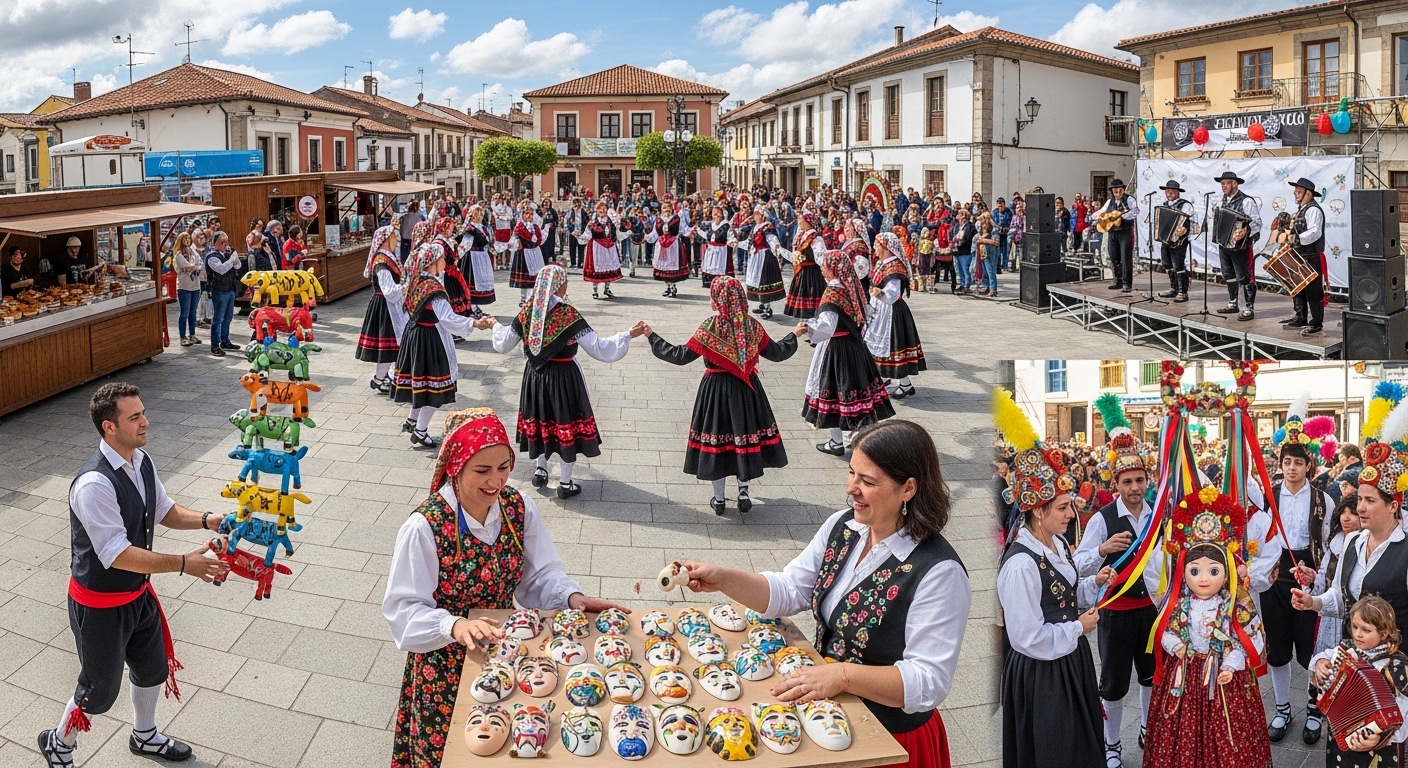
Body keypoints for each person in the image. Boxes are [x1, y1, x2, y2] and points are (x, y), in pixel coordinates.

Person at [676, 420, 971, 768]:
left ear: (908, 488)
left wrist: (842, 675)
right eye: (851, 473)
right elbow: (790, 589)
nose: (851, 489)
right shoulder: (844, 526)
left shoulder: (938, 571)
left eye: (868, 482)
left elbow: (929, 681)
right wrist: (724, 579)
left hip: (891, 739)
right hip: (829, 714)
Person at [383, 406, 630, 768]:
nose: (495, 481)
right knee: (452, 751)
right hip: (444, 660)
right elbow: (403, 610)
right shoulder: (425, 527)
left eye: (503, 467)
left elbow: (538, 576)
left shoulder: (517, 507)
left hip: (503, 651)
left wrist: (571, 597)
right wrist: (455, 625)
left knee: (507, 745)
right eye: (482, 470)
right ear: (455, 467)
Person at [37, 382, 230, 768]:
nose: (146, 422)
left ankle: (144, 736)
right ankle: (59, 742)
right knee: (98, 690)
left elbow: (164, 510)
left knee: (153, 668)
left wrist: (209, 519)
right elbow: (118, 555)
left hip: (137, 595)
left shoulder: (141, 461)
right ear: (110, 427)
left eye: (143, 413)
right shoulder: (93, 484)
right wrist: (183, 563)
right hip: (99, 606)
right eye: (135, 417)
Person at [992, 388, 1105, 768]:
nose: (1072, 513)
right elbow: (1026, 637)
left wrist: (1093, 584)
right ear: (1038, 512)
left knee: (1078, 748)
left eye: (1070, 505)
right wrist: (1079, 628)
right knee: (1054, 751)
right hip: (1042, 674)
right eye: (1063, 507)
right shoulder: (1021, 565)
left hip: (1068, 661)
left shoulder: (1057, 544)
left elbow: (1064, 596)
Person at [641, 276, 799, 515]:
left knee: (717, 440)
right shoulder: (752, 326)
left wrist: (652, 336)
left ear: (717, 299)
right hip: (746, 391)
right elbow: (777, 353)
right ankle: (743, 491)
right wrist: (794, 335)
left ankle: (719, 499)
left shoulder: (710, 327)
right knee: (742, 437)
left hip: (715, 392)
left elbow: (680, 355)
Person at [1141, 486, 1271, 768]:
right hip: (1184, 675)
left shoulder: (1234, 603)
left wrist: (1231, 665)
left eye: (1213, 571)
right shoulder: (1178, 602)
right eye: (1195, 571)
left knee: (1229, 733)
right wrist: (1175, 645)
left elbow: (1249, 639)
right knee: (1179, 734)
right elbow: (1164, 630)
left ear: (1226, 572)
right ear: (1183, 570)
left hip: (1224, 680)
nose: (1203, 579)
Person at [488, 264, 642, 498]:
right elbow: (599, 348)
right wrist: (627, 335)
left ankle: (540, 469)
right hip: (563, 378)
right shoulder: (567, 315)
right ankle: (565, 482)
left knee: (541, 419)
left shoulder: (528, 311)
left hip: (535, 377)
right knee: (565, 423)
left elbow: (505, 343)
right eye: (565, 281)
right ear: (559, 286)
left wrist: (495, 326)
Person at [1071, 424, 1155, 765]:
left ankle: (1148, 728)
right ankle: (1111, 744)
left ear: (1147, 481)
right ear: (1116, 485)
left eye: (1139, 480)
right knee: (1114, 684)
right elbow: (1077, 565)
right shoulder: (1102, 519)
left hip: (1151, 610)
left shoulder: (1157, 515)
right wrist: (1102, 550)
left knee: (1151, 675)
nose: (1134, 487)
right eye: (1127, 481)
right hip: (1116, 612)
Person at [1259, 404, 1335, 744]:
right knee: (1277, 648)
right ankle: (1282, 708)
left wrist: (1316, 574)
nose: (1292, 468)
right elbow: (1257, 537)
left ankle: (1314, 709)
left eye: (1298, 462)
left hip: (1308, 578)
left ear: (1309, 466)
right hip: (1274, 578)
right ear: (1281, 464)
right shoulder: (1268, 496)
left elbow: (1329, 544)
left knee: (1310, 649)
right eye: (1287, 462)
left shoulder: (1322, 500)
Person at [391, 243, 491, 448]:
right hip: (429, 338)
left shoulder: (416, 280)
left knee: (422, 384)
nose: (445, 262)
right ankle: (420, 431)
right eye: (442, 258)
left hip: (415, 335)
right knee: (435, 388)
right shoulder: (433, 288)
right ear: (433, 262)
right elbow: (447, 318)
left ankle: (412, 420)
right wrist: (475, 323)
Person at [797, 250, 895, 456]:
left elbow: (827, 326)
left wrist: (809, 327)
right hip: (856, 347)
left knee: (834, 393)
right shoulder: (852, 287)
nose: (822, 268)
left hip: (837, 349)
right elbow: (867, 313)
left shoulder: (832, 293)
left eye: (825, 265)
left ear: (832, 268)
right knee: (858, 392)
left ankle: (836, 442)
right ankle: (862, 437)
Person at [1310, 596, 1408, 767]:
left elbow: (1403, 716)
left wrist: (1381, 737)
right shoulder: (1347, 649)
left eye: (1366, 630)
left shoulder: (1397, 668)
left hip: (1380, 752)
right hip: (1341, 738)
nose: (1357, 634)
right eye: (1355, 627)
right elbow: (1325, 655)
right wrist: (1319, 662)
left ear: (1383, 633)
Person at [870, 232, 925, 399]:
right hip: (881, 310)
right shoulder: (882, 263)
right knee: (881, 347)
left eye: (877, 244)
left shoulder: (894, 267)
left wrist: (881, 293)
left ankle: (905, 385)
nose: (874, 247)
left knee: (893, 347)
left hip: (891, 312)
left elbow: (892, 294)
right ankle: (886, 379)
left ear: (885, 247)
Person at [356, 225, 406, 395]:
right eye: (393, 236)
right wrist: (407, 287)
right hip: (385, 306)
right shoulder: (381, 261)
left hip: (389, 304)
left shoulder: (388, 258)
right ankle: (381, 379)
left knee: (393, 345)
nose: (396, 240)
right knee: (389, 345)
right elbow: (389, 290)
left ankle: (385, 377)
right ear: (385, 239)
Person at [1212, 171, 1263, 321]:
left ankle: (1248, 307)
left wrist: (1245, 230)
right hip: (1224, 244)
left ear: (1235, 184)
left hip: (1242, 245)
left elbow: (1257, 222)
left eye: (1226, 183)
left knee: (1244, 276)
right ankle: (1233, 302)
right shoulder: (1220, 202)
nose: (1223, 186)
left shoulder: (1247, 201)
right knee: (1228, 274)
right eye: (1222, 184)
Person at [1282, 177, 1328, 336]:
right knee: (1298, 288)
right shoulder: (1301, 209)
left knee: (1313, 291)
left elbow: (1315, 232)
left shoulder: (1313, 210)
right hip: (1298, 255)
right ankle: (1300, 317)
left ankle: (1316, 323)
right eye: (1295, 190)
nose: (1295, 193)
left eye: (1299, 191)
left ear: (1308, 193)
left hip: (1310, 255)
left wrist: (1296, 238)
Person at [1092, 180, 1139, 293]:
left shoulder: (1129, 199)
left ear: (1123, 190)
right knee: (1114, 257)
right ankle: (1118, 280)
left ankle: (1127, 283)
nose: (1117, 193)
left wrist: (1121, 217)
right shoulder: (1109, 202)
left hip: (1124, 232)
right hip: (1112, 232)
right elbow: (1102, 211)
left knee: (1125, 257)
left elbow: (1135, 211)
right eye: (1115, 191)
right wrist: (1096, 217)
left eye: (1119, 191)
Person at [1154, 180, 1195, 303]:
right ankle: (1174, 288)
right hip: (1166, 239)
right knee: (1166, 263)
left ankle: (1183, 292)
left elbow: (1194, 224)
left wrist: (1185, 229)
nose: (1169, 193)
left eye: (1172, 191)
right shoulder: (1164, 205)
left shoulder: (1185, 206)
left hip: (1179, 241)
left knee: (1178, 265)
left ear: (1178, 192)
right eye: (1167, 191)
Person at [744, 207, 787, 317]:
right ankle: (763, 304)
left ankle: (767, 308)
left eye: (757, 214)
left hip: (765, 257)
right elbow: (750, 242)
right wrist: (737, 243)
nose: (755, 217)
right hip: (756, 257)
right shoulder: (755, 228)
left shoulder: (767, 227)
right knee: (758, 282)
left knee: (764, 282)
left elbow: (773, 240)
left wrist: (777, 247)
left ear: (763, 216)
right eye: (755, 214)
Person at [205, 232, 241, 356]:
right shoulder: (212, 256)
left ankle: (225, 341)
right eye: (222, 242)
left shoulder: (227, 254)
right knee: (218, 319)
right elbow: (221, 269)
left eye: (227, 241)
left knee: (228, 318)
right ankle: (215, 345)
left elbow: (238, 266)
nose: (225, 244)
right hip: (219, 290)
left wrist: (235, 259)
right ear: (215, 242)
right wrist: (231, 260)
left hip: (230, 289)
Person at [784, 212, 826, 319]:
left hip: (812, 273)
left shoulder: (816, 238)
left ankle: (811, 321)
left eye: (801, 219)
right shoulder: (802, 236)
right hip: (802, 271)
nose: (798, 221)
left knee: (811, 296)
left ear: (808, 222)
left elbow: (821, 258)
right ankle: (806, 321)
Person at [458, 205, 496, 315]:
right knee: (472, 281)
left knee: (479, 281)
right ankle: (472, 308)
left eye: (481, 212)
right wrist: (457, 256)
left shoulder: (484, 228)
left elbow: (489, 243)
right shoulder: (470, 229)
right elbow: (465, 245)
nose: (480, 215)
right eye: (477, 212)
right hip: (472, 259)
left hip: (482, 257)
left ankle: (475, 307)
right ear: (472, 215)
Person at [581, 201, 622, 299]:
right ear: (596, 210)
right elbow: (587, 234)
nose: (602, 211)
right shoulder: (593, 222)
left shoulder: (609, 222)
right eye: (600, 209)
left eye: (604, 209)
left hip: (608, 247)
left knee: (609, 267)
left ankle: (607, 289)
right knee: (596, 268)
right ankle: (595, 290)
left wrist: (614, 242)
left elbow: (614, 234)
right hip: (597, 247)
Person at [509, 200, 546, 306]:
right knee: (525, 278)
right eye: (527, 213)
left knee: (534, 277)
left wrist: (536, 241)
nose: (529, 216)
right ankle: (523, 298)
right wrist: (530, 238)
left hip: (535, 253)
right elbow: (518, 237)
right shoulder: (519, 227)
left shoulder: (535, 227)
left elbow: (539, 239)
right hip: (524, 253)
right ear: (523, 215)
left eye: (531, 213)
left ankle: (532, 297)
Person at [651, 200, 692, 297]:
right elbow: (654, 233)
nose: (666, 210)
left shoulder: (676, 219)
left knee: (672, 267)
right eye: (664, 208)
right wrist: (646, 237)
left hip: (673, 245)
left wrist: (691, 231)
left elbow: (684, 229)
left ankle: (673, 286)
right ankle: (668, 287)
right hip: (662, 246)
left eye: (668, 208)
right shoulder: (658, 220)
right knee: (665, 268)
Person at [171, 233, 202, 347]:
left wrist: (193, 267)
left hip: (195, 286)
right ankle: (182, 336)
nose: (187, 240)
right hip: (184, 287)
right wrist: (193, 267)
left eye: (189, 238)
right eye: (185, 238)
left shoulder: (193, 252)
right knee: (185, 313)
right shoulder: (178, 255)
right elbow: (185, 266)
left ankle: (192, 334)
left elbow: (200, 263)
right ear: (180, 240)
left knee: (193, 312)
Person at [698, 205, 734, 289]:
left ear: (722, 214)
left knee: (719, 267)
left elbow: (730, 237)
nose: (716, 215)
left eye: (718, 213)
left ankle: (720, 284)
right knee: (710, 266)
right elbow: (708, 236)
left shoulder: (726, 225)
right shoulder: (711, 225)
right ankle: (710, 283)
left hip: (721, 250)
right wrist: (698, 231)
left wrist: (732, 242)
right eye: (714, 213)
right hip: (711, 250)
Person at [952, 210, 975, 295]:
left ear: (964, 216)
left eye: (959, 214)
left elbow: (968, 238)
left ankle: (967, 285)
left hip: (965, 250)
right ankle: (962, 284)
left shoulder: (969, 226)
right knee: (959, 269)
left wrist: (960, 241)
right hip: (957, 250)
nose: (957, 216)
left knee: (966, 269)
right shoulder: (957, 225)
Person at [564, 197, 588, 269]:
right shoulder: (570, 212)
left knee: (581, 248)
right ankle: (573, 262)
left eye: (578, 203)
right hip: (572, 232)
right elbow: (565, 220)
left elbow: (587, 221)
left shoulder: (583, 212)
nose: (576, 205)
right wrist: (568, 228)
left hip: (581, 233)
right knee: (572, 248)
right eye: (574, 203)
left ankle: (580, 263)